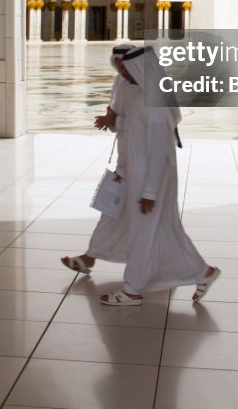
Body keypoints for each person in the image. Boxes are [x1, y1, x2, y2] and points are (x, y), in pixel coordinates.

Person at [62, 44, 220, 305]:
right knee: (121, 218)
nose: (121, 71)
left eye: (125, 66)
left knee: (144, 233)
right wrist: (113, 122)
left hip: (150, 176)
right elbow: (130, 125)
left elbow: (160, 149)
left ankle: (133, 289)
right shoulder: (133, 87)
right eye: (119, 66)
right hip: (131, 169)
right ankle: (203, 272)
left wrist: (150, 192)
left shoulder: (156, 98)